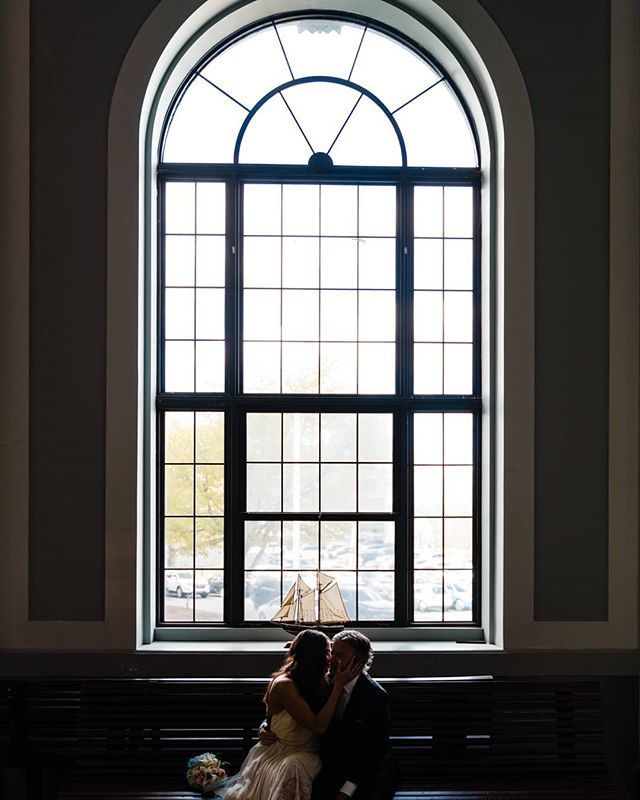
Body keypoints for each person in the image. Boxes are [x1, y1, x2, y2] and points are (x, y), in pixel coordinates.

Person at [216, 629, 360, 800]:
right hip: (281, 753)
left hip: (311, 752)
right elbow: (317, 726)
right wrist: (337, 687)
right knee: (293, 766)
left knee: (296, 765)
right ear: (314, 656)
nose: (331, 659)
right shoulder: (285, 685)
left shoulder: (321, 680)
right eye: (327, 652)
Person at [261, 630, 398, 800]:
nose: (331, 660)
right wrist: (266, 726)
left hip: (364, 775)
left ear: (358, 661)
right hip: (327, 766)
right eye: (331, 652)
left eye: (339, 655)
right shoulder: (323, 681)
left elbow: (372, 751)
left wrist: (346, 792)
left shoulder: (374, 697)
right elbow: (289, 710)